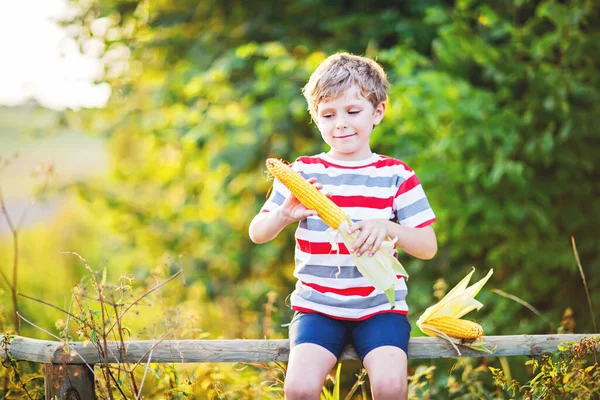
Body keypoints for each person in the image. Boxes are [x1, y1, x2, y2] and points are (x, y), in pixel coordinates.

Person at [248, 53, 437, 400]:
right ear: (315, 118)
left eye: (353, 111)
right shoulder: (301, 172)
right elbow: (257, 232)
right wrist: (283, 216)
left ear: (377, 112)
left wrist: (387, 226)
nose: (341, 124)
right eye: (328, 114)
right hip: (317, 307)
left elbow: (427, 246)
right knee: (300, 389)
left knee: (391, 386)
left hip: (380, 308)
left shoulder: (396, 174)